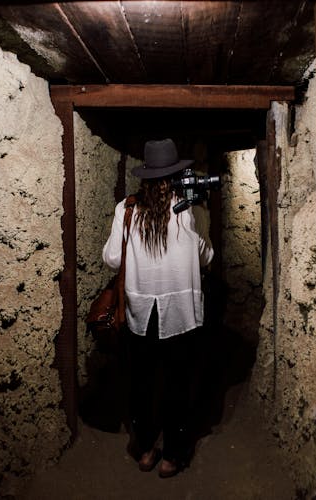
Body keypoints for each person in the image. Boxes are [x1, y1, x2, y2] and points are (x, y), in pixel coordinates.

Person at [102, 138, 214, 478]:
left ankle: (147, 450)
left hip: (141, 314)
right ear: (175, 175)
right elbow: (206, 257)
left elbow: (111, 258)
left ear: (146, 176)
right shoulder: (191, 209)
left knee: (142, 383)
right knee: (178, 383)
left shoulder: (128, 209)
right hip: (181, 312)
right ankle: (173, 456)